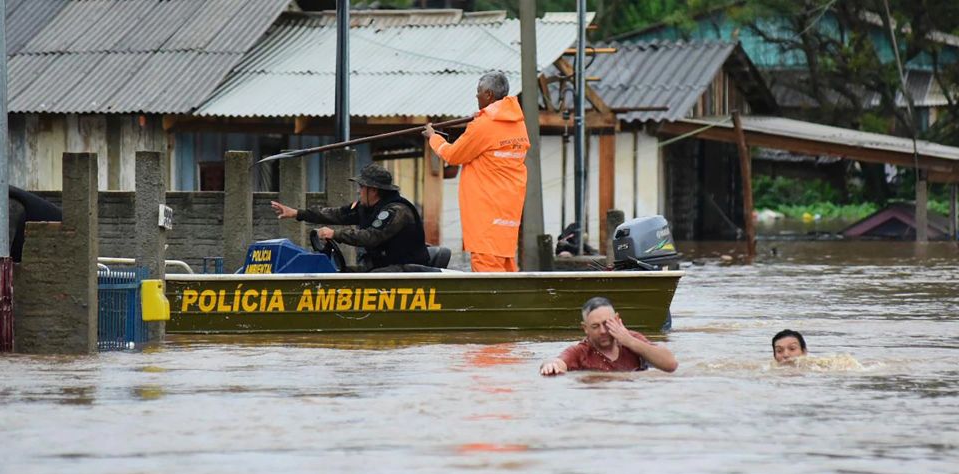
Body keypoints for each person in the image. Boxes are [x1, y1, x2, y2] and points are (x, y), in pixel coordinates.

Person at [422, 71, 529, 272]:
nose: (476, 96)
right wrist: (479, 119)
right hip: (507, 212)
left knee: (487, 271)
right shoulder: (517, 123)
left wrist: (433, 137)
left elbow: (453, 155)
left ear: (488, 95)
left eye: (478, 92)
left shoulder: (485, 125)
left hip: (486, 211)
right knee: (506, 265)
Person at [269, 163, 429, 271]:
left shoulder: (396, 211)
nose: (359, 191)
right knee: (343, 273)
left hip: (407, 269)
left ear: (373, 190)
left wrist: (334, 234)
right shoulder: (367, 208)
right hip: (382, 266)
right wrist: (297, 213)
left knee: (366, 281)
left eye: (361, 187)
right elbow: (337, 214)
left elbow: (370, 237)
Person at [540, 297, 678, 375]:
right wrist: (550, 365)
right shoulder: (581, 352)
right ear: (585, 328)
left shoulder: (632, 340)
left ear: (617, 319)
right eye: (595, 326)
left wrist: (630, 341)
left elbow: (671, 365)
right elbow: (559, 362)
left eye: (607, 324)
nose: (603, 331)